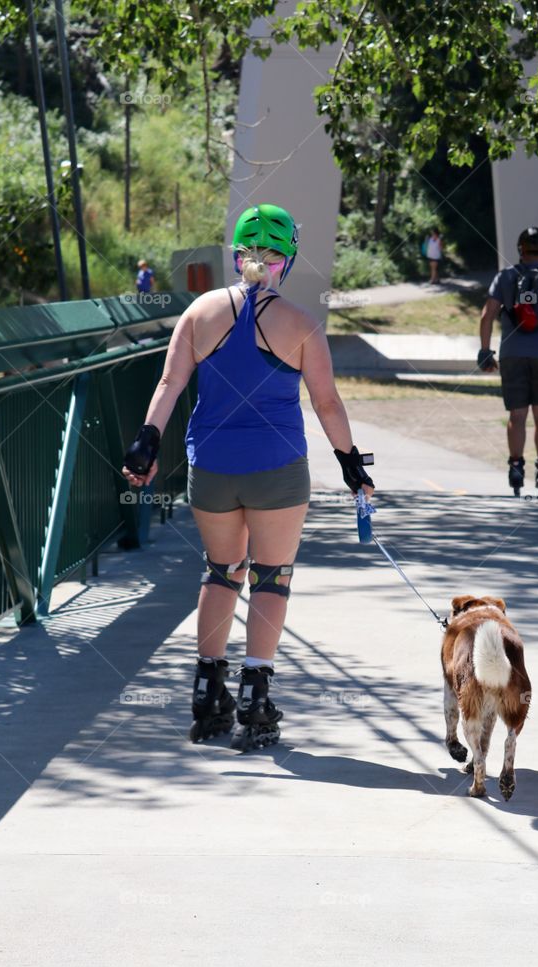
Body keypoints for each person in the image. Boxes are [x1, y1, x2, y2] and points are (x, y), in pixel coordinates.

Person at [121, 202, 375, 750]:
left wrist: (146, 441)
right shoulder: (302, 324)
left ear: (237, 255)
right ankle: (256, 699)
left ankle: (207, 691)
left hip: (211, 468)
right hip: (278, 470)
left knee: (221, 572)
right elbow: (327, 404)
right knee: (270, 577)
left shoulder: (199, 313)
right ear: (286, 260)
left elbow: (168, 385)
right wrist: (351, 463)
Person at [477, 226, 538, 495]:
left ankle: (516, 467)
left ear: (520, 249)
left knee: (517, 415)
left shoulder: (505, 277)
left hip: (512, 354)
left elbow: (487, 316)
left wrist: (485, 350)